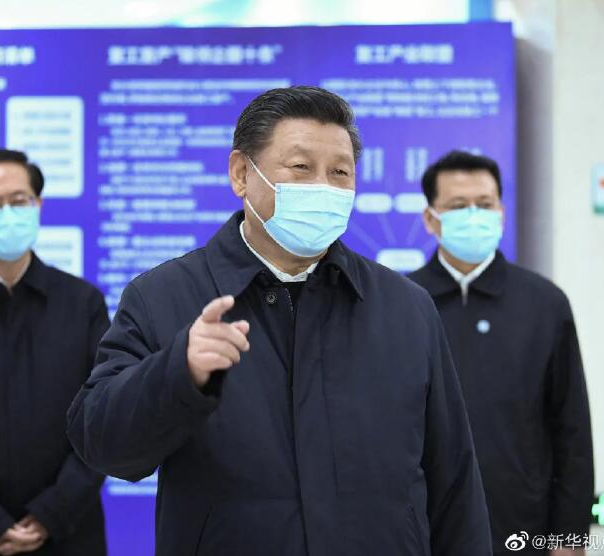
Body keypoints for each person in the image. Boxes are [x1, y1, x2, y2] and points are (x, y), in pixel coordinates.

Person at [68, 86, 492, 555]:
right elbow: (101, 442)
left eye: (340, 172)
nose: (323, 187)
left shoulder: (406, 307)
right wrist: (178, 374)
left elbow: (454, 480)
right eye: (301, 167)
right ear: (240, 174)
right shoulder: (163, 296)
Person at [408, 150, 594, 555]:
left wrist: (570, 538)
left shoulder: (544, 303)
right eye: (458, 206)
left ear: (501, 213)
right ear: (430, 219)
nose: (474, 216)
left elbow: (572, 428)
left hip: (522, 529)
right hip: (425, 529)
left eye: (485, 204)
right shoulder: (402, 303)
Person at [0, 149, 109, 555]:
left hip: (68, 532)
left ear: (37, 205)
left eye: (19, 201)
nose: (8, 214)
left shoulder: (82, 303)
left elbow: (104, 418)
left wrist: (50, 513)